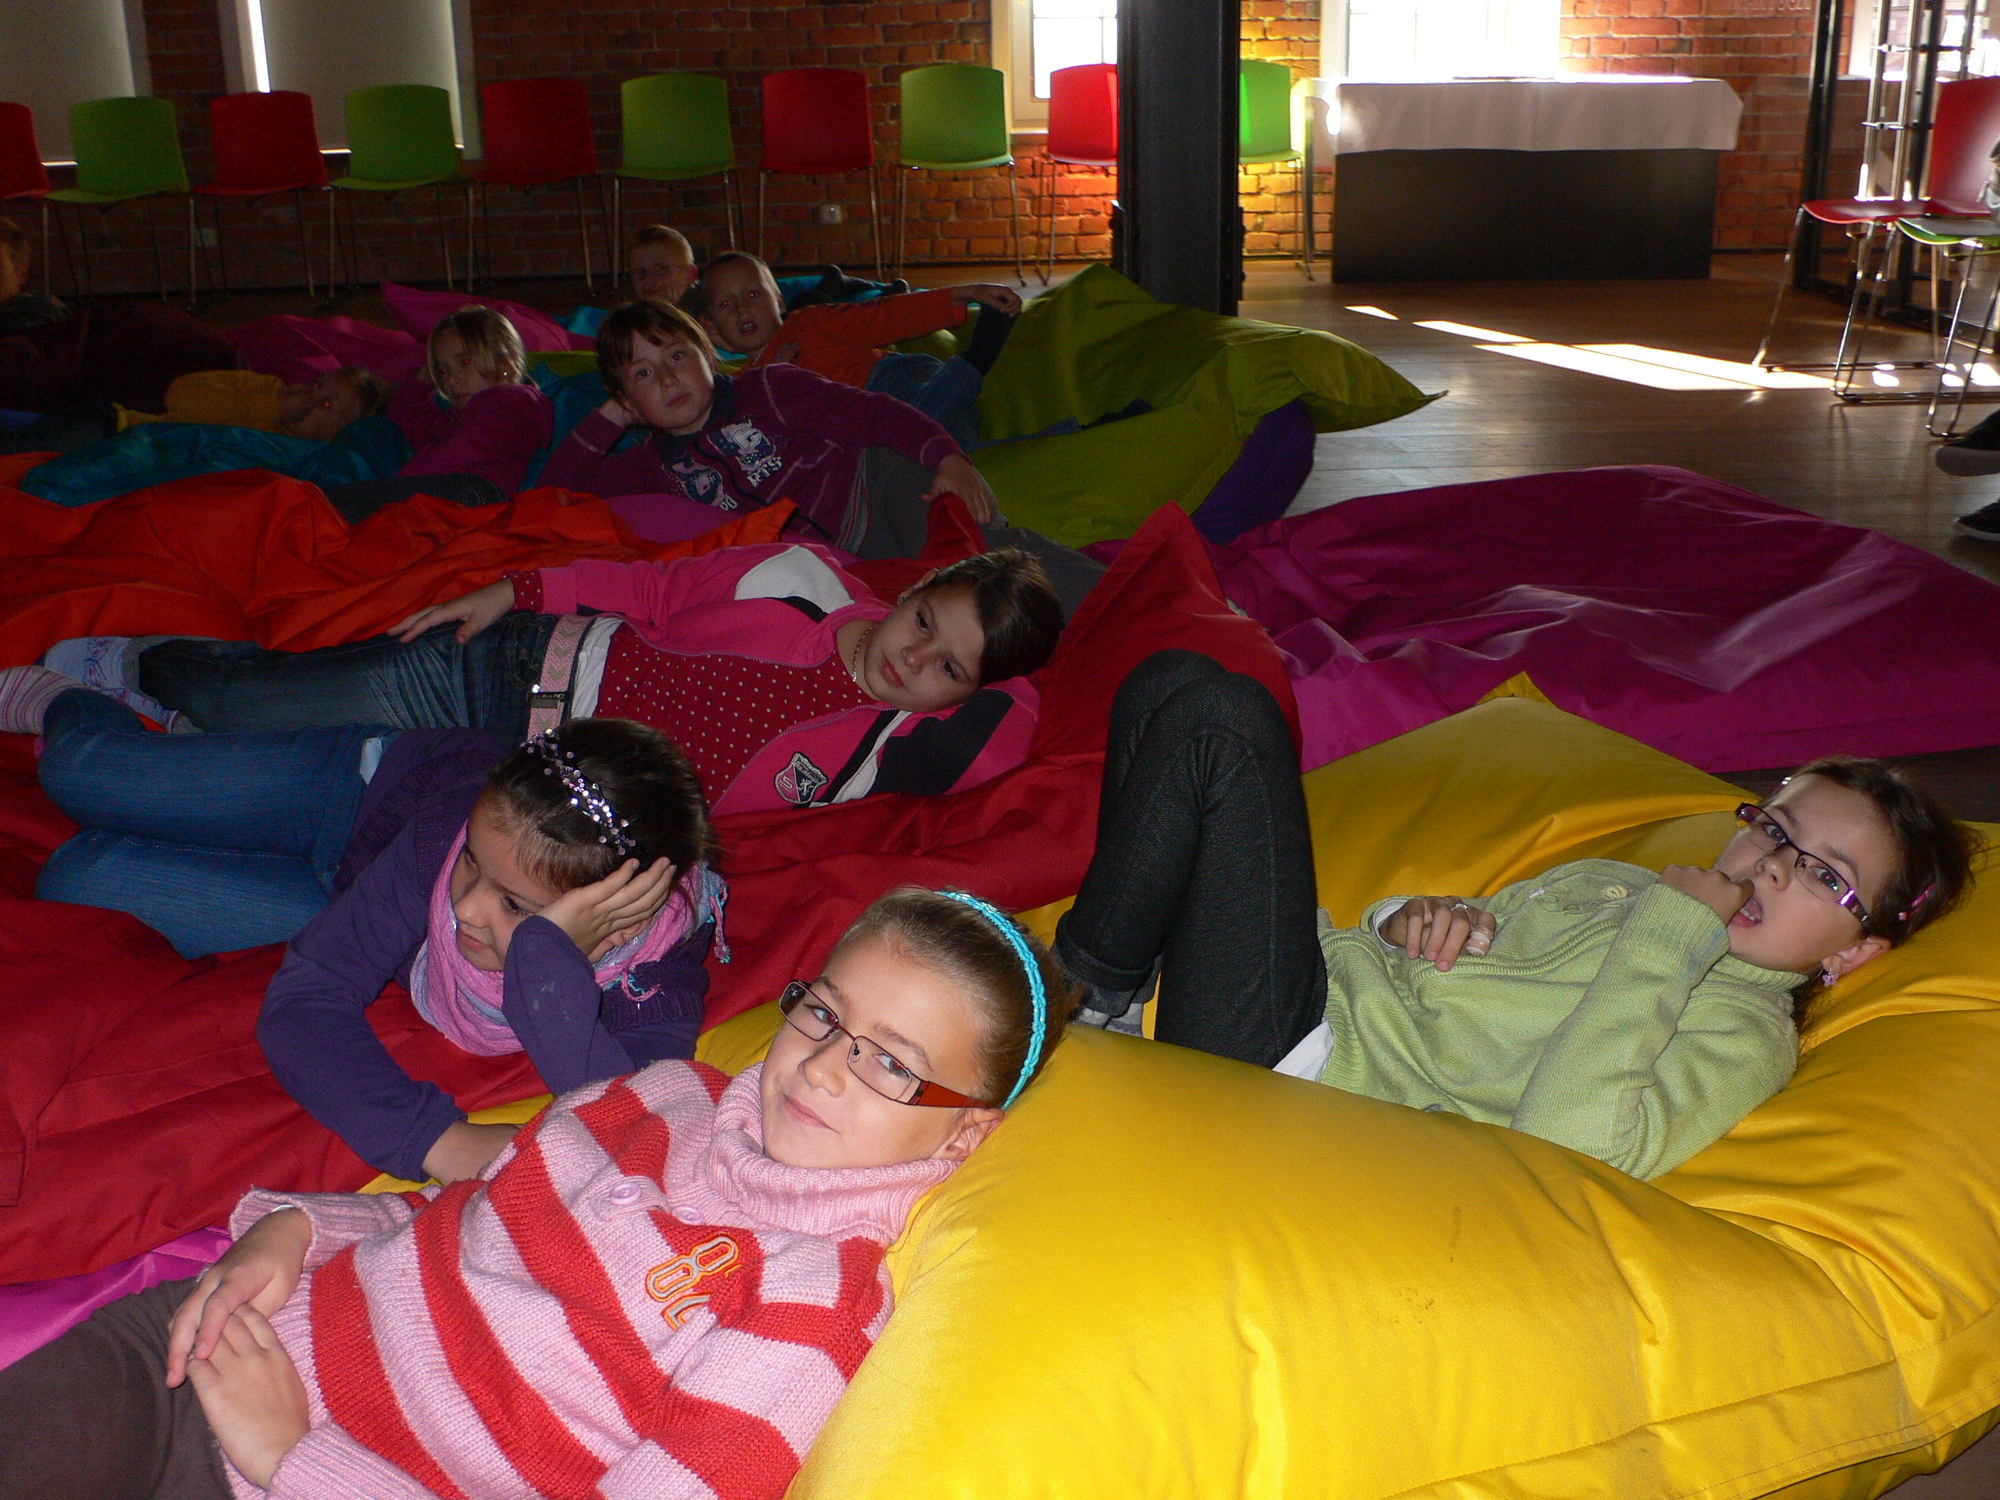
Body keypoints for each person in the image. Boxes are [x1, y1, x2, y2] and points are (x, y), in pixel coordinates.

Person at [0, 885, 1078, 1500]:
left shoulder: (812, 1303)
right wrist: (294, 1228)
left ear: (966, 1132)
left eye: (891, 1062)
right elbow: (463, 1215)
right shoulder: (664, 1096)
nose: (827, 1065)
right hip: (213, 1341)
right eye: (823, 1014)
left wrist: (297, 1459)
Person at [1051, 650, 1982, 1181]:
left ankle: (1076, 1003)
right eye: (1776, 829)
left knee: (1222, 720)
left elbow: (1570, 1152)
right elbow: (1443, 935)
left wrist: (1673, 939)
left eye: (1824, 876)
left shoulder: (1743, 1033)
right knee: (1166, 683)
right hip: (1316, 987)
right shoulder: (1614, 885)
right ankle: (1108, 1002)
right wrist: (1411, 920)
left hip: (1307, 1077)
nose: (1775, 865)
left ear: (1854, 952)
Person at [45, 541, 1065, 816]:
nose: (910, 661)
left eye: (947, 668)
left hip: (532, 796)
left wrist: (987, 671)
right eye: (923, 623)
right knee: (250, 699)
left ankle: (169, 729)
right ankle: (128, 664)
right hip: (509, 674)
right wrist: (515, 588)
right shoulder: (801, 579)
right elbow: (653, 586)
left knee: (298, 777)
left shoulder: (890, 753)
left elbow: (1024, 719)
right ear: (909, 591)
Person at [537, 299, 1104, 613]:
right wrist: (611, 415)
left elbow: (875, 414)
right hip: (844, 557)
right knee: (941, 600)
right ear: (627, 400)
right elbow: (558, 487)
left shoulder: (770, 387)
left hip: (877, 485)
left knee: (980, 554)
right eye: (643, 374)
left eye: (677, 357)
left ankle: (1106, 595)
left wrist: (947, 457)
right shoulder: (654, 467)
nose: (667, 378)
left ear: (708, 356)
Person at [687, 251, 1021, 449]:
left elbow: (885, 317)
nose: (742, 309)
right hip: (876, 435)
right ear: (712, 327)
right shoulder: (741, 388)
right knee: (914, 458)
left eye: (753, 295)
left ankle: (975, 359)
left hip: (893, 386)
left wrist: (964, 293)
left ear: (778, 301)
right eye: (726, 304)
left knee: (911, 426)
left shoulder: (806, 324)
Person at [324, 306, 556, 522]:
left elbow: (460, 451)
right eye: (444, 370)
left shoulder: (513, 402)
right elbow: (409, 417)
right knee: (338, 503)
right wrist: (422, 379)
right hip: (453, 490)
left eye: (464, 361)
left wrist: (397, 489)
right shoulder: (455, 420)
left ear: (506, 363)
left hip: (476, 493)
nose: (452, 379)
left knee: (339, 504)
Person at [0, 366, 387, 457]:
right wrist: (270, 405)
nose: (312, 396)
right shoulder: (267, 388)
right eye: (318, 384)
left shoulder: (297, 458)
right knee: (17, 448)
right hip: (115, 428)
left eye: (328, 404)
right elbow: (181, 397)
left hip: (128, 459)